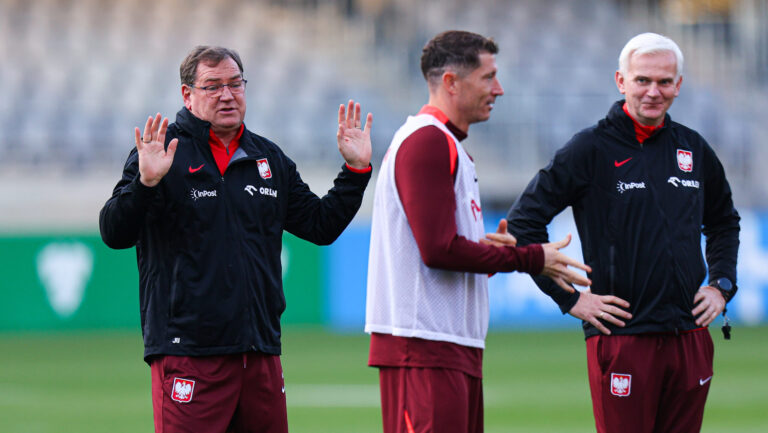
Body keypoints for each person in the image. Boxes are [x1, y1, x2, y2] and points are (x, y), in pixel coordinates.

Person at [99, 46, 373, 433]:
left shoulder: (269, 157)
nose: (227, 95)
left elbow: (320, 225)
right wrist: (145, 184)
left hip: (259, 351)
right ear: (187, 95)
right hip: (189, 352)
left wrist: (355, 171)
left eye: (235, 84)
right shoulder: (162, 152)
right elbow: (114, 233)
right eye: (213, 86)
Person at [506, 32, 740, 433]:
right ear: (621, 81)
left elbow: (723, 222)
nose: (653, 91)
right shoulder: (590, 149)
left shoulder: (694, 148)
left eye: (664, 82)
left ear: (678, 85)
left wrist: (721, 285)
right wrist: (569, 298)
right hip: (622, 336)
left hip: (690, 334)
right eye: (642, 80)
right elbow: (522, 224)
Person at [365, 30, 593, 433]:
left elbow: (442, 249)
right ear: (451, 82)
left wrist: (489, 254)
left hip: (449, 346)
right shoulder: (427, 141)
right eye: (488, 77)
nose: (498, 89)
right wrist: (529, 257)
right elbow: (438, 250)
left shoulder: (448, 145)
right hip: (423, 346)